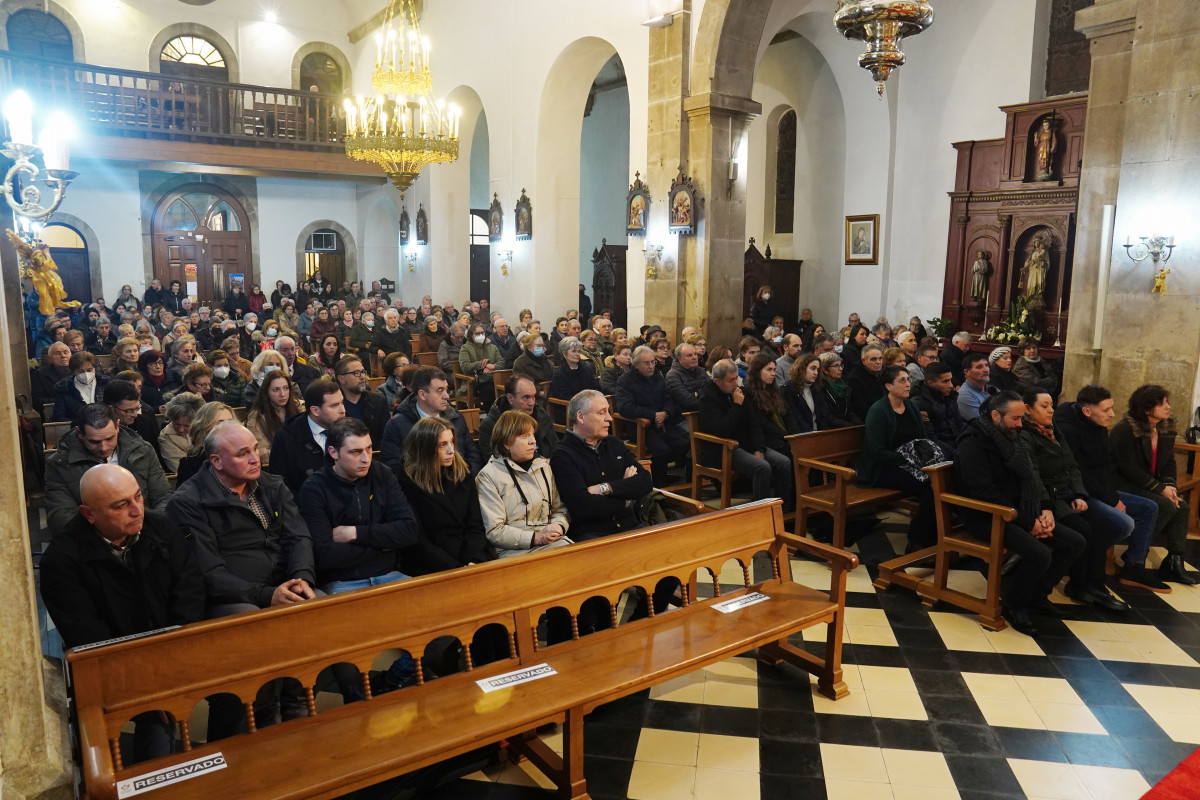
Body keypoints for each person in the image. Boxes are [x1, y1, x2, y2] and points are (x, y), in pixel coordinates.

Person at [40, 464, 202, 759]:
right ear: (89, 514)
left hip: (171, 649)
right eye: (121, 505)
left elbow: (188, 592)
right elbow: (87, 634)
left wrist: (172, 662)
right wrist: (147, 682)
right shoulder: (62, 560)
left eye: (138, 497)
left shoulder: (161, 527)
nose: (137, 510)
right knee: (155, 718)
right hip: (111, 664)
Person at [168, 421, 318, 738]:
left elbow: (299, 538)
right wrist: (266, 595)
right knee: (251, 622)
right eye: (243, 453)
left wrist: (301, 578)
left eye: (254, 449)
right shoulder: (189, 501)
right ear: (217, 461)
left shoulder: (271, 485)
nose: (255, 458)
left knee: (319, 604)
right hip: (229, 598)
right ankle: (262, 713)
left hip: (281, 584)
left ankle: (299, 701)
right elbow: (208, 572)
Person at [955, 392, 1087, 636]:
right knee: (1039, 553)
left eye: (1021, 417)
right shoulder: (973, 443)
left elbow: (1030, 477)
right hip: (986, 515)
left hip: (1019, 510)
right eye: (1015, 418)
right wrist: (1028, 521)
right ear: (996, 415)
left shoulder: (1011, 437)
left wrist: (1043, 510)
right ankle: (1015, 605)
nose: (1020, 423)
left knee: (1075, 542)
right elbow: (983, 492)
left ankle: (1037, 596)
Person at [1020, 388, 1132, 611]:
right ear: (1027, 410)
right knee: (1085, 529)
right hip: (1050, 498)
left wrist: (1079, 493)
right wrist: (1048, 506)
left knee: (1099, 525)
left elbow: (1072, 466)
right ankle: (1079, 585)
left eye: (1052, 404)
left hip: (1068, 494)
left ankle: (1092, 583)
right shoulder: (1025, 436)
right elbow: (1033, 476)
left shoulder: (1053, 430)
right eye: (1044, 406)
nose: (1051, 410)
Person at [1055, 385, 1167, 593]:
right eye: (1106, 410)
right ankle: (1083, 565)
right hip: (1078, 493)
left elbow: (1103, 467)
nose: (1112, 414)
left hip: (1100, 489)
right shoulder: (1068, 430)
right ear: (1087, 411)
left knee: (1149, 507)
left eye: (1112, 408)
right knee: (1122, 524)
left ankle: (1134, 566)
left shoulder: (1096, 424)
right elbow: (1079, 474)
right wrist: (1112, 500)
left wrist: (1113, 497)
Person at [1109, 384, 1196, 586]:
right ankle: (1134, 559)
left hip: (1148, 485)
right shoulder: (1125, 430)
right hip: (1123, 483)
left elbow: (1168, 463)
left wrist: (1170, 486)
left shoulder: (1165, 429)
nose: (1168, 407)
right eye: (1162, 403)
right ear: (1147, 409)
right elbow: (1127, 468)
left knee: (1181, 507)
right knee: (1163, 505)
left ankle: (1173, 563)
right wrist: (1160, 490)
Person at [44, 404, 171, 532]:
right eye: (94, 442)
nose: (104, 448)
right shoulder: (59, 464)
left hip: (144, 530)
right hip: (93, 540)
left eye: (109, 438)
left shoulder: (143, 450)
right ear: (80, 434)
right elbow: (61, 516)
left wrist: (149, 530)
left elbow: (162, 497)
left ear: (117, 427)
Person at [854, 366, 938, 551]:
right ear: (888, 386)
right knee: (932, 488)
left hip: (910, 464)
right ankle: (917, 540)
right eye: (902, 380)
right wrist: (908, 459)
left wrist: (921, 458)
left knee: (942, 480)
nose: (908, 384)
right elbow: (878, 453)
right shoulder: (878, 411)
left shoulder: (911, 407)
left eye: (908, 379)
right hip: (882, 469)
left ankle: (935, 534)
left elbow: (923, 440)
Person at [550, 390, 652, 540]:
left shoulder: (613, 443)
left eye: (608, 412)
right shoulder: (563, 455)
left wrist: (605, 488)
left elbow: (645, 481)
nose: (610, 419)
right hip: (593, 534)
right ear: (580, 417)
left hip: (631, 525)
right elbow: (583, 505)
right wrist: (626, 499)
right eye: (601, 413)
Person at [477, 409, 571, 560]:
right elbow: (495, 531)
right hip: (513, 551)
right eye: (525, 436)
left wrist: (558, 527)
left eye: (533, 435)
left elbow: (559, 509)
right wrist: (535, 538)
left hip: (552, 542)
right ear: (506, 443)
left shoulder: (543, 467)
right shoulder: (488, 476)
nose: (533, 441)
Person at [380, 366, 479, 475]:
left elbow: (472, 455)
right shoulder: (397, 425)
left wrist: (465, 481)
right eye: (440, 391)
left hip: (459, 484)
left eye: (446, 389)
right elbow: (393, 465)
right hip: (418, 488)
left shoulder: (456, 418)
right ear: (422, 394)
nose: (446, 396)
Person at [616, 346, 690, 486]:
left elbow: (669, 398)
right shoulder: (625, 381)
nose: (651, 366)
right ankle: (656, 482)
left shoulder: (658, 377)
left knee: (684, 443)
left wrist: (665, 413)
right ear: (636, 364)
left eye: (653, 362)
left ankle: (665, 476)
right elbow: (625, 407)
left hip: (663, 422)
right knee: (661, 449)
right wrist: (652, 415)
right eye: (646, 363)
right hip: (641, 427)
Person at [267, 378, 346, 497]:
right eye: (334, 405)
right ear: (315, 410)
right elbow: (280, 485)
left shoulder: (349, 430)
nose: (343, 410)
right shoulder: (286, 438)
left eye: (342, 403)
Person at [478, 374, 558, 459]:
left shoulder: (541, 414)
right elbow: (495, 461)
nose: (532, 403)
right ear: (510, 398)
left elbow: (556, 446)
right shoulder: (491, 425)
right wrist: (540, 463)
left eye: (533, 396)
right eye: (526, 397)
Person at [247, 370, 302, 463]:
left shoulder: (300, 408)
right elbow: (261, 452)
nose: (283, 394)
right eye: (276, 390)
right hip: (277, 468)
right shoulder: (257, 416)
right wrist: (293, 458)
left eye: (286, 388)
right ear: (266, 392)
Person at [333, 355, 389, 446]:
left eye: (363, 372)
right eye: (356, 373)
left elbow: (385, 435)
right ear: (342, 379)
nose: (362, 376)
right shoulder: (334, 405)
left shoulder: (378, 401)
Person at [174, 402, 235, 485]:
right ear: (205, 427)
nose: (228, 426)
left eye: (231, 422)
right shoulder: (190, 464)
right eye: (220, 423)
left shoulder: (244, 454)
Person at [912, 362, 965, 458]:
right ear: (930, 383)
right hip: (940, 454)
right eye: (945, 381)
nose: (951, 385)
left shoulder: (951, 395)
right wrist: (957, 454)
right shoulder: (920, 404)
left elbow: (959, 423)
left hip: (958, 446)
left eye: (950, 380)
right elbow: (930, 438)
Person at [52, 351, 110, 422]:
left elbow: (113, 408)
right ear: (73, 372)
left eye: (89, 370)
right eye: (81, 371)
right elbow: (59, 416)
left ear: (94, 368)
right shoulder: (64, 388)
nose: (86, 374)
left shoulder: (105, 384)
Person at [459, 322, 504, 409]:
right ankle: (492, 415)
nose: (481, 335)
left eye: (482, 333)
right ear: (471, 335)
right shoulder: (465, 348)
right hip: (475, 381)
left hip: (493, 378)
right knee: (488, 390)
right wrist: (482, 365)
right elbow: (465, 367)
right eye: (477, 333)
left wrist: (493, 366)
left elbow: (502, 362)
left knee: (505, 388)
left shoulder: (492, 347)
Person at [785, 353, 832, 433]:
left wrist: (823, 433)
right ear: (802, 368)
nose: (816, 373)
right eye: (813, 368)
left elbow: (824, 414)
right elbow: (796, 417)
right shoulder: (789, 389)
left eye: (817, 369)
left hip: (820, 435)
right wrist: (811, 434)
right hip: (803, 436)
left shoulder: (817, 388)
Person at [158, 391, 204, 472]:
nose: (181, 430)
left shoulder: (208, 428)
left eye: (187, 426)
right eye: (177, 424)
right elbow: (180, 469)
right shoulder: (166, 436)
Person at [550, 336, 600, 405]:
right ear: (564, 354)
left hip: (589, 404)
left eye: (579, 351)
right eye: (573, 351)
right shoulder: (559, 373)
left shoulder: (586, 368)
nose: (577, 354)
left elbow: (594, 388)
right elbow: (563, 396)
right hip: (570, 407)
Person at [817, 351, 860, 427]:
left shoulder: (843, 385)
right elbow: (827, 416)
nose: (841, 369)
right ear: (825, 370)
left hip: (844, 426)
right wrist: (849, 426)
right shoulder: (820, 388)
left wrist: (858, 424)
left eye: (841, 365)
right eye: (836, 366)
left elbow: (848, 410)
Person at [846, 343, 886, 422]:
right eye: (874, 359)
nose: (878, 362)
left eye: (880, 358)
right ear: (864, 361)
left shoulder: (886, 373)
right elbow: (860, 407)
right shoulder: (854, 378)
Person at [665, 342, 707, 413]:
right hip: (684, 417)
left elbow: (712, 391)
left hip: (704, 412)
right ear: (679, 359)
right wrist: (705, 396)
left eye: (695, 354)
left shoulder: (701, 370)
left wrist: (696, 394)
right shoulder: (673, 376)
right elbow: (688, 402)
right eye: (689, 355)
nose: (694, 357)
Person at [32, 341, 72, 412]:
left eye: (66, 352)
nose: (63, 356)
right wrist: (64, 400)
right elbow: (37, 401)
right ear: (49, 358)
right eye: (58, 353)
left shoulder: (77, 371)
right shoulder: (40, 374)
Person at [957, 351, 995, 421]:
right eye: (979, 367)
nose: (986, 370)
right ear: (967, 372)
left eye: (986, 365)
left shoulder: (992, 389)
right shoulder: (964, 395)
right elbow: (982, 424)